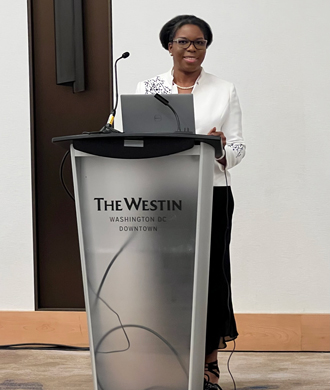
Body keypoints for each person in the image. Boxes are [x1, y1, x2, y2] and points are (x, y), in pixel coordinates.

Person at [136, 15, 246, 390]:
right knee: (165, 278)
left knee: (210, 278)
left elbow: (240, 146)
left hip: (211, 193)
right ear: (169, 45)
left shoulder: (223, 89)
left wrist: (219, 149)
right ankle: (168, 360)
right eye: (184, 42)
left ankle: (208, 365)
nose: (192, 49)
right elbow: (127, 132)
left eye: (199, 43)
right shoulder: (148, 86)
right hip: (164, 197)